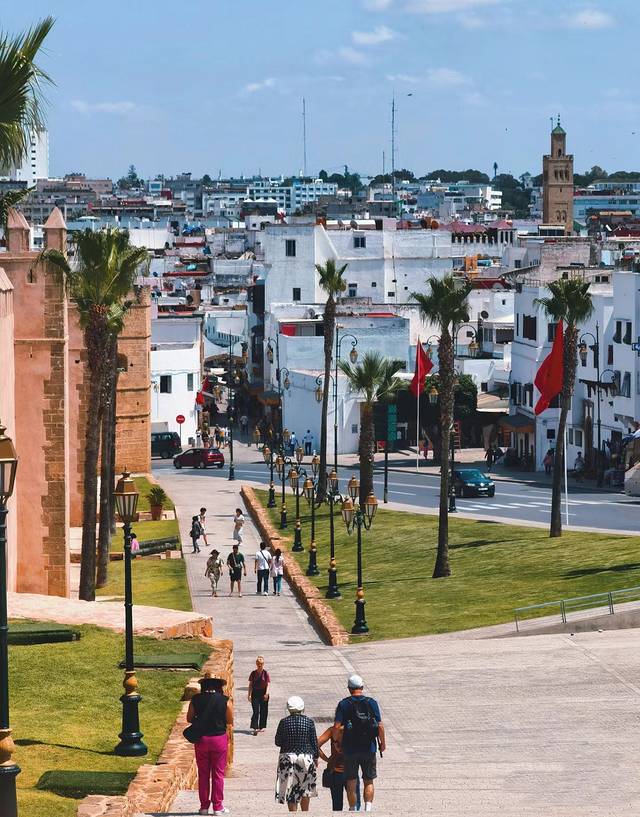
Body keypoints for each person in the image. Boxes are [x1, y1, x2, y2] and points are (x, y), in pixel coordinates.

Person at [333, 674, 385, 813]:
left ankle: (352, 809)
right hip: (369, 747)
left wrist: (336, 741)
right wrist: (383, 743)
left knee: (351, 780)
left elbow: (337, 726)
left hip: (350, 749)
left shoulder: (344, 704)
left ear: (349, 688)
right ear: (362, 687)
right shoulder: (371, 702)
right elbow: (380, 726)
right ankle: (368, 810)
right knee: (369, 780)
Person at [186, 674, 233, 816]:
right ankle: (217, 807)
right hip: (218, 739)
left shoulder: (196, 699)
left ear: (204, 685)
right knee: (218, 774)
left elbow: (189, 718)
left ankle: (204, 807)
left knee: (203, 774)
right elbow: (229, 720)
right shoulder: (224, 700)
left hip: (202, 740)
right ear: (218, 685)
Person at [275, 696, 319, 812]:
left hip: (287, 757)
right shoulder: (309, 722)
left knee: (291, 789)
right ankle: (305, 813)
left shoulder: (283, 722)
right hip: (306, 756)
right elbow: (314, 742)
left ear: (288, 708)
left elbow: (277, 741)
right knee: (306, 789)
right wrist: (316, 757)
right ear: (302, 708)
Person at [318, 723, 361, 812]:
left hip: (335, 771)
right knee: (355, 804)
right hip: (351, 770)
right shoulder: (355, 729)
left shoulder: (332, 730)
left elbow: (316, 745)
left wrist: (327, 759)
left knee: (337, 805)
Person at [248, 655, 270, 735]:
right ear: (256, 664)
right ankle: (255, 727)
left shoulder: (265, 673)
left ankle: (261, 726)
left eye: (261, 664)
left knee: (263, 711)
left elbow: (268, 684)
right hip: (255, 693)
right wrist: (249, 695)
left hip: (263, 693)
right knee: (256, 711)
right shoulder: (253, 673)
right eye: (258, 664)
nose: (259, 665)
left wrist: (266, 693)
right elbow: (250, 685)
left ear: (263, 664)